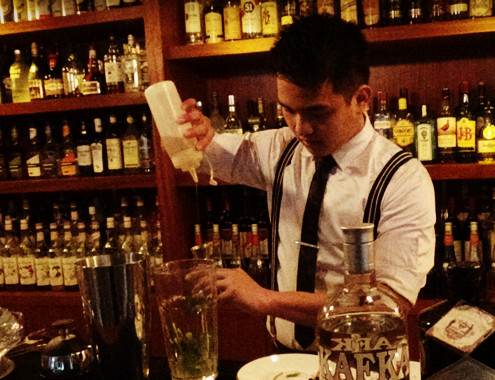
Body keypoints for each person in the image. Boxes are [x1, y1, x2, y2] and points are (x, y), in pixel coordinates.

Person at [180, 14, 435, 351]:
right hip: (283, 359)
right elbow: (203, 156)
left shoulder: (403, 179)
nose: (301, 128)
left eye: (318, 113)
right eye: (288, 110)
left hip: (361, 365)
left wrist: (265, 299)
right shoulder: (280, 148)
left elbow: (388, 307)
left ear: (361, 98)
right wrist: (189, 131)